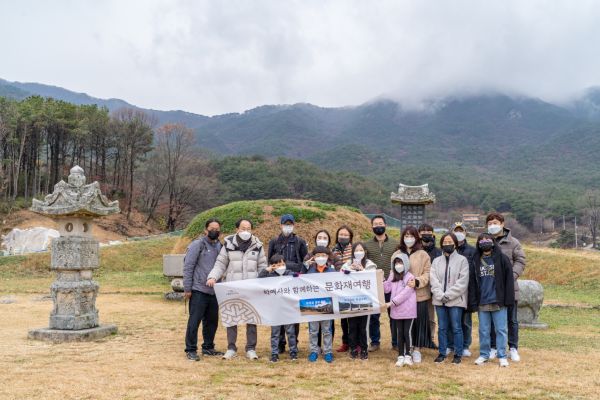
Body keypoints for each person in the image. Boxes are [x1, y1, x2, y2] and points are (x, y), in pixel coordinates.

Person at [206, 218, 267, 360]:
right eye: (243, 228)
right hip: (233, 287)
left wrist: (263, 283)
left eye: (248, 229)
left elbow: (262, 266)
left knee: (252, 318)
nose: (246, 231)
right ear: (237, 229)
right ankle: (231, 348)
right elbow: (220, 264)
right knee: (231, 317)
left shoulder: (257, 245)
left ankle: (251, 348)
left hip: (251, 287)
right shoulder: (228, 244)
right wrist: (213, 276)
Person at [469, 233, 515, 367]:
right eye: (481, 240)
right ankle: (484, 354)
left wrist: (508, 300)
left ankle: (502, 355)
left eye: (487, 239)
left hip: (498, 300)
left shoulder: (502, 258)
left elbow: (509, 281)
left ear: (493, 242)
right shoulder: (475, 260)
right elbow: (472, 282)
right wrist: (473, 301)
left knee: (501, 330)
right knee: (484, 330)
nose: (484, 242)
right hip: (482, 300)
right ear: (478, 244)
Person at [486, 213, 526, 362]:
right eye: (489, 223)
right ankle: (493, 347)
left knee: (511, 319)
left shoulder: (513, 242)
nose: (492, 226)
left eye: (495, 223)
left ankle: (513, 348)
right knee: (492, 319)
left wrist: (511, 276)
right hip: (491, 288)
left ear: (502, 224)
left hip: (509, 288)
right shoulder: (486, 241)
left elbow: (520, 261)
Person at [391, 225, 434, 363]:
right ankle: (404, 349)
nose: (408, 238)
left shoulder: (423, 254)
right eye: (406, 236)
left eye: (411, 236)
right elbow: (392, 273)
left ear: (416, 238)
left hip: (419, 295)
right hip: (401, 296)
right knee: (403, 325)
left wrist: (417, 281)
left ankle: (416, 349)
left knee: (418, 323)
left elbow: (428, 273)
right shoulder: (396, 253)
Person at [183, 218, 224, 361]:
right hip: (198, 289)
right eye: (212, 229)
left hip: (214, 290)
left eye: (217, 229)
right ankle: (191, 349)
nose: (214, 231)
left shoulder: (220, 246)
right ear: (205, 230)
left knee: (212, 321)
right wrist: (187, 288)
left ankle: (208, 347)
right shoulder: (197, 245)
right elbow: (188, 266)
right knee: (194, 321)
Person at [268, 214, 308, 354]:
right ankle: (280, 343)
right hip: (277, 281)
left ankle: (293, 342)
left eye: (290, 224)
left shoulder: (300, 241)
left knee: (293, 313)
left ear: (294, 225)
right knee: (278, 311)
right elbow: (270, 260)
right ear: (280, 225)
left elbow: (304, 260)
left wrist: (299, 276)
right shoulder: (274, 241)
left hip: (294, 281)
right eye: (285, 224)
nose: (288, 227)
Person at [429, 233, 470, 364]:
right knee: (442, 327)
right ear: (441, 244)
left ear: (455, 244)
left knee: (456, 327)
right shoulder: (436, 261)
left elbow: (462, 282)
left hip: (456, 300)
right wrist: (440, 295)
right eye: (445, 242)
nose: (447, 244)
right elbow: (433, 280)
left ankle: (458, 354)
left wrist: (448, 295)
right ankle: (442, 352)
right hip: (439, 300)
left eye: (450, 242)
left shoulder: (462, 260)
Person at [363, 215, 399, 352]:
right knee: (374, 316)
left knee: (394, 314)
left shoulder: (395, 243)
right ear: (372, 227)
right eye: (375, 224)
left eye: (380, 223)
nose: (378, 226)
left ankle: (396, 342)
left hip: (392, 284)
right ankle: (375, 342)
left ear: (385, 225)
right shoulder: (367, 245)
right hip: (374, 285)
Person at [258, 254, 298, 362]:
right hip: (275, 309)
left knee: (291, 332)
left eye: (282, 264)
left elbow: (299, 277)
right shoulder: (269, 276)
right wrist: (266, 270)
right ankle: (274, 354)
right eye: (277, 265)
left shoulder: (289, 274)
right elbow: (258, 280)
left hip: (288, 308)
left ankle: (293, 352)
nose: (281, 267)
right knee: (275, 333)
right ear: (272, 266)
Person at [340, 242, 376, 360]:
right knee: (352, 326)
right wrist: (348, 269)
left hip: (365, 300)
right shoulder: (347, 264)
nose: (359, 253)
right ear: (353, 252)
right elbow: (339, 277)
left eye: (361, 250)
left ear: (365, 252)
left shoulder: (370, 264)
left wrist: (362, 270)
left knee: (363, 326)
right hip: (350, 300)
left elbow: (373, 278)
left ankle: (364, 349)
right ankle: (353, 348)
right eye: (356, 250)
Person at [303, 229, 338, 351]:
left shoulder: (332, 270)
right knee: (313, 329)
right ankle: (314, 350)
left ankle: (328, 351)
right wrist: (305, 266)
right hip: (311, 302)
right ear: (314, 257)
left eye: (323, 256)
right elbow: (300, 278)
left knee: (327, 329)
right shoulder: (309, 269)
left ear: (327, 257)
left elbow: (339, 280)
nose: (321, 258)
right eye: (318, 256)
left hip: (327, 302)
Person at [447, 222, 477, 357]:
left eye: (461, 231)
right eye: (456, 231)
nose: (458, 233)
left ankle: (465, 345)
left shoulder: (472, 251)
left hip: (467, 291)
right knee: (450, 320)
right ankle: (450, 345)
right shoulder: (447, 249)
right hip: (449, 290)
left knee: (465, 321)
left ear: (465, 233)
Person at [384, 253, 417, 367]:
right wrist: (383, 279)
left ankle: (408, 355)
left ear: (405, 263)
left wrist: (391, 303)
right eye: (396, 263)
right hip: (397, 310)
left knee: (407, 332)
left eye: (400, 262)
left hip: (408, 310)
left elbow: (405, 294)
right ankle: (400, 355)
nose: (398, 265)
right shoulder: (393, 276)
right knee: (399, 332)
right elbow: (387, 289)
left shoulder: (410, 277)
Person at [331, 226, 354, 352]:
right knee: (343, 318)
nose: (343, 237)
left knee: (354, 316)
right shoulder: (333, 250)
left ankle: (355, 342)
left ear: (350, 237)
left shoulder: (354, 249)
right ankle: (345, 342)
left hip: (353, 287)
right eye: (341, 234)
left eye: (346, 235)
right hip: (339, 287)